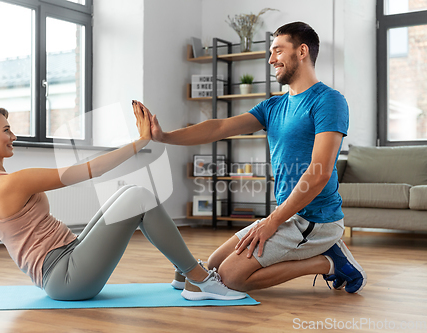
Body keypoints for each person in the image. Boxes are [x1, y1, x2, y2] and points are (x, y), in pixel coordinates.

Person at [136, 21, 366, 293]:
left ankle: (329, 261)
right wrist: (165, 137)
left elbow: (319, 173)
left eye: (278, 51)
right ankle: (320, 254)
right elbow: (220, 127)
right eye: (271, 52)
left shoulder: (328, 100)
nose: (271, 59)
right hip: (288, 214)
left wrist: (273, 223)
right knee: (213, 265)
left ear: (302, 51)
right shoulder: (273, 105)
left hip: (316, 220)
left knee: (232, 278)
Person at [0, 103, 246, 301]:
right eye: (6, 130)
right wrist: (141, 142)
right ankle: (199, 279)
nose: (13, 136)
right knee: (138, 197)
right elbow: (87, 171)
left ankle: (185, 271)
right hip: (66, 277)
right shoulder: (9, 183)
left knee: (130, 192)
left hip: (67, 259)